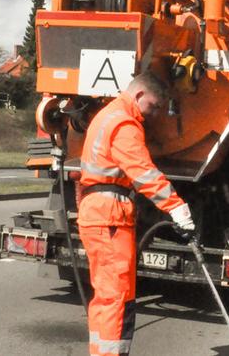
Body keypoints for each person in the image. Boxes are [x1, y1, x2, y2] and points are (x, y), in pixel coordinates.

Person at [74, 72, 195, 356]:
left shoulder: (108, 116)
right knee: (115, 298)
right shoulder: (124, 123)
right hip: (109, 217)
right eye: (153, 106)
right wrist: (177, 208)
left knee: (110, 296)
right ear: (139, 95)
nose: (154, 114)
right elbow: (144, 173)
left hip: (103, 215)